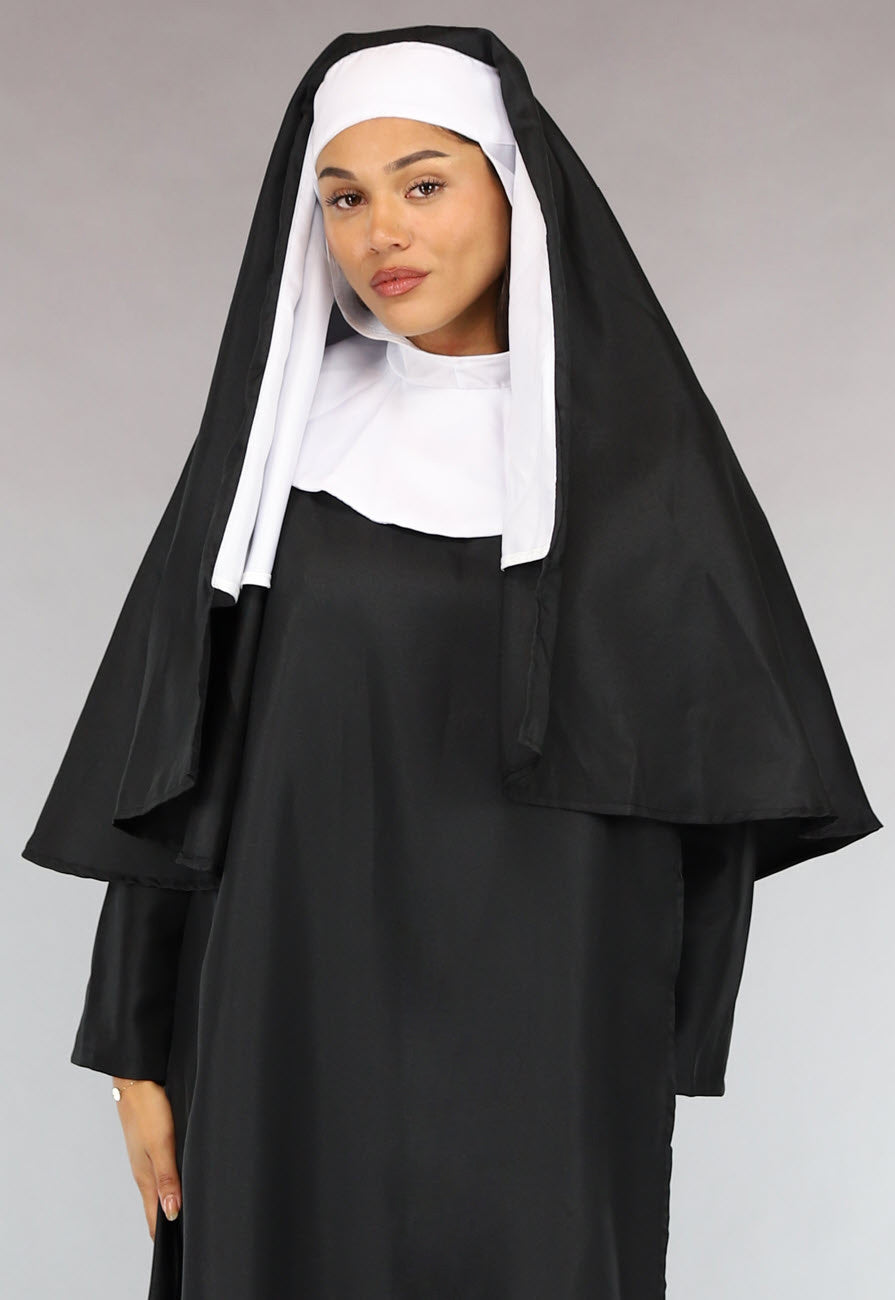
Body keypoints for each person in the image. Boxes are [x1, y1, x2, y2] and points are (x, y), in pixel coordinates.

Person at [22, 26, 882, 1300]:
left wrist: (646, 1036)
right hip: (282, 1007)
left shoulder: (637, 470)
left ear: (512, 187)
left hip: (546, 1034)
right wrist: (132, 1042)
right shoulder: (279, 452)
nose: (383, 232)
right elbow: (171, 754)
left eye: (424, 183)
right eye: (344, 198)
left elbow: (712, 783)